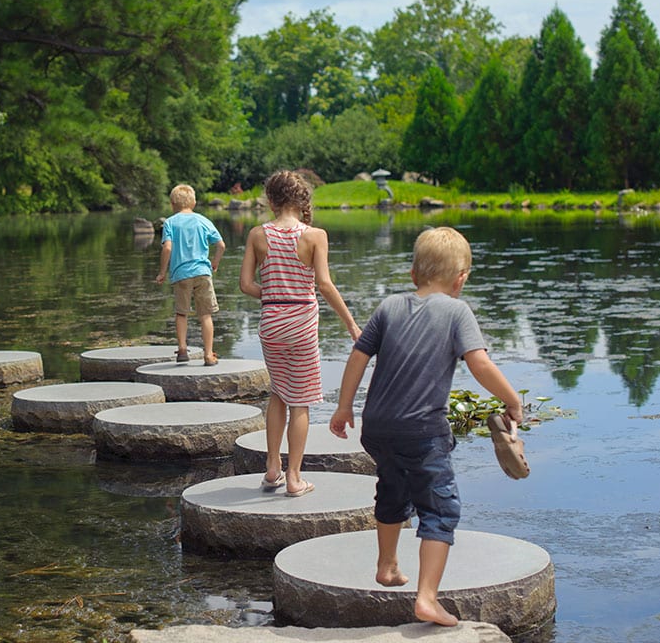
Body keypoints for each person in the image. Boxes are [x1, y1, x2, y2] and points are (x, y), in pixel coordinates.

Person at [329, 226, 524, 626]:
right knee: (440, 509)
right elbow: (480, 364)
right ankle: (428, 598)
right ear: (461, 280)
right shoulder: (457, 311)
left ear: (414, 273)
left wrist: (343, 407)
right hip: (423, 432)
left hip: (378, 428)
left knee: (392, 490)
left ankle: (386, 566)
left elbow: (357, 358)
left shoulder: (388, 307)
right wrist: (512, 399)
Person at [239, 170, 362, 498]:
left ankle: (272, 467)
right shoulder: (315, 236)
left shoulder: (256, 235)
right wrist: (351, 324)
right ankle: (294, 478)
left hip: (271, 324)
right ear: (302, 200)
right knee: (302, 402)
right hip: (302, 325)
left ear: (271, 201)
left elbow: (245, 285)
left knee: (279, 393)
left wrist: (274, 293)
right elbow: (324, 284)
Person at [155, 184, 226, 366]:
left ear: (172, 204)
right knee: (206, 315)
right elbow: (221, 245)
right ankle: (209, 355)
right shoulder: (203, 220)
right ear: (194, 202)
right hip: (203, 272)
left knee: (181, 313)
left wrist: (163, 271)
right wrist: (215, 262)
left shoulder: (170, 222)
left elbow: (168, 247)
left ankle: (183, 350)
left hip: (181, 274)